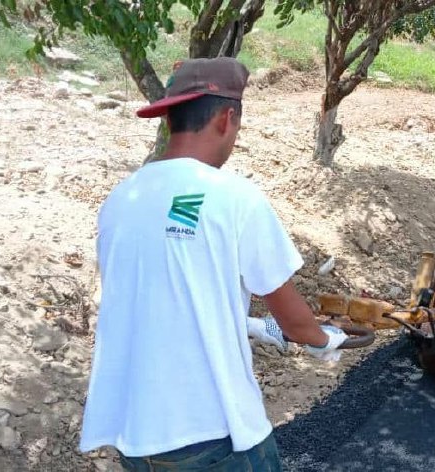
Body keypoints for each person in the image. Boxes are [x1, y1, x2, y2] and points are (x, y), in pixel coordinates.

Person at [79, 57, 349, 470]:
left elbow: (166, 297)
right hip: (213, 437)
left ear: (169, 121)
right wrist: (323, 341)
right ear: (227, 118)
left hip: (134, 438)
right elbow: (294, 321)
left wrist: (254, 326)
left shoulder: (120, 200)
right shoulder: (234, 198)